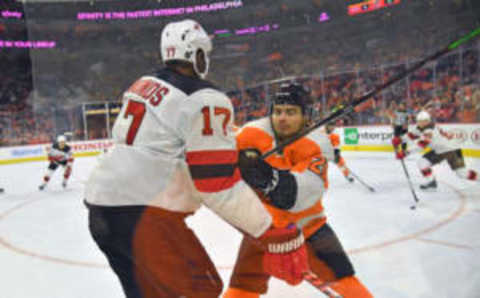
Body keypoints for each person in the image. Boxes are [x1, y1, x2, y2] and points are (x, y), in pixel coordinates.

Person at [84, 19, 308, 298]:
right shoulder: (205, 98)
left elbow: (162, 145)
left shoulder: (143, 84)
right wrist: (267, 230)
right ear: (196, 54)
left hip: (101, 210)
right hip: (143, 216)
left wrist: (228, 153)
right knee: (201, 288)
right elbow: (216, 184)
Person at [223, 83, 373, 298]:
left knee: (345, 281)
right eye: (278, 111)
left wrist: (266, 176)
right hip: (266, 229)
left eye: (291, 112)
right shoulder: (253, 132)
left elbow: (300, 196)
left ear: (306, 116)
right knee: (242, 288)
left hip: (309, 229)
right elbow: (218, 149)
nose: (282, 118)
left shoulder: (317, 144)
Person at [392, 110, 478, 190]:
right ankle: (431, 182)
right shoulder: (422, 126)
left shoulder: (429, 130)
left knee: (462, 173)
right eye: (419, 121)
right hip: (439, 150)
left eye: (422, 121)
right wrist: (400, 139)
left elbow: (422, 145)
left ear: (427, 120)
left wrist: (405, 152)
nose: (419, 123)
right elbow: (412, 135)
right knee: (422, 162)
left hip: (452, 150)